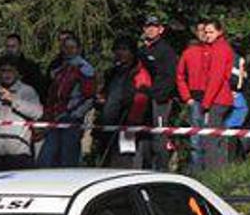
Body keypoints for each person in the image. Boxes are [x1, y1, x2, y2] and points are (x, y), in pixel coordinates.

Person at [0, 55, 42, 172]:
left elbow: (38, 112)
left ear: (17, 73)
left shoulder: (27, 91)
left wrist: (13, 100)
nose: (7, 74)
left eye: (11, 71)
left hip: (18, 154)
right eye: (3, 71)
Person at [38, 34, 95, 167]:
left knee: (67, 159)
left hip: (71, 119)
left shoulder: (85, 69)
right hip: (56, 118)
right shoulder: (60, 69)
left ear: (79, 49)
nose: (68, 51)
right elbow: (52, 95)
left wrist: (76, 114)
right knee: (46, 159)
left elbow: (89, 96)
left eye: (72, 47)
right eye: (66, 47)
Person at [96, 36, 152, 168]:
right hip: (109, 123)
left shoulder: (140, 73)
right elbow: (105, 93)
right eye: (117, 49)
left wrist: (131, 123)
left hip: (128, 124)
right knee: (108, 159)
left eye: (124, 49)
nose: (120, 53)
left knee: (125, 159)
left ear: (132, 52)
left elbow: (141, 98)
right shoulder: (112, 73)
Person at [139, 15, 178, 170]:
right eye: (148, 26)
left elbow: (171, 77)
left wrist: (160, 96)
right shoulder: (141, 51)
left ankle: (162, 168)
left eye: (154, 27)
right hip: (143, 99)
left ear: (161, 29)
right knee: (145, 135)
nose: (150, 30)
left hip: (160, 100)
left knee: (159, 135)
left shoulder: (166, 51)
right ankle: (145, 167)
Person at [198, 20, 235, 170]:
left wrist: (206, 102)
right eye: (206, 32)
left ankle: (212, 170)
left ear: (220, 32)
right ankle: (220, 169)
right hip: (220, 98)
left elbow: (216, 78)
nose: (207, 35)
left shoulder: (220, 49)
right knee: (218, 137)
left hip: (217, 99)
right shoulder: (218, 47)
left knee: (210, 138)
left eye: (211, 32)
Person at [176, 20, 209, 171]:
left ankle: (211, 170)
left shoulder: (217, 50)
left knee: (211, 136)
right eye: (201, 30)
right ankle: (197, 171)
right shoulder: (189, 52)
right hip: (195, 99)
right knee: (195, 138)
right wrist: (186, 97)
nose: (204, 33)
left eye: (206, 30)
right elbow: (180, 75)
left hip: (213, 99)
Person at [4, 33, 46, 98]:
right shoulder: (2, 67)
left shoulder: (30, 67)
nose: (10, 50)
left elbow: (40, 89)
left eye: (13, 46)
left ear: (20, 47)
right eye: (8, 47)